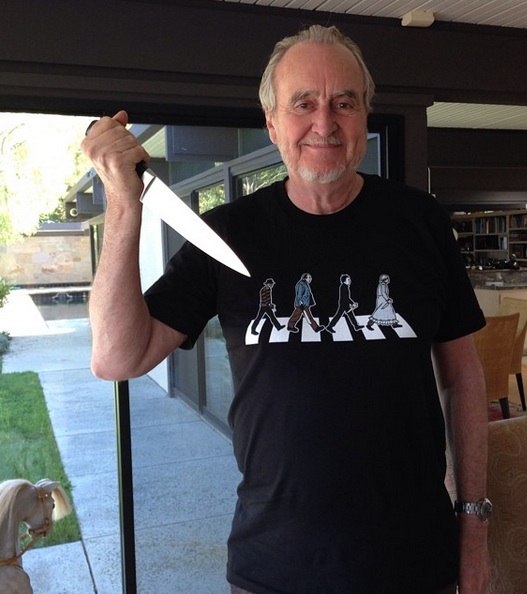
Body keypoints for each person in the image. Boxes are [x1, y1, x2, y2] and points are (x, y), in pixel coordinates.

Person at [82, 24, 490, 594]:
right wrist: (125, 207)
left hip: (416, 563)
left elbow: (464, 376)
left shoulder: (420, 222)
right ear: (273, 124)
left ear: (364, 116)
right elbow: (116, 357)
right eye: (303, 104)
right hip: (274, 566)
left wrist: (473, 525)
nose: (325, 123)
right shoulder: (224, 235)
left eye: (344, 102)